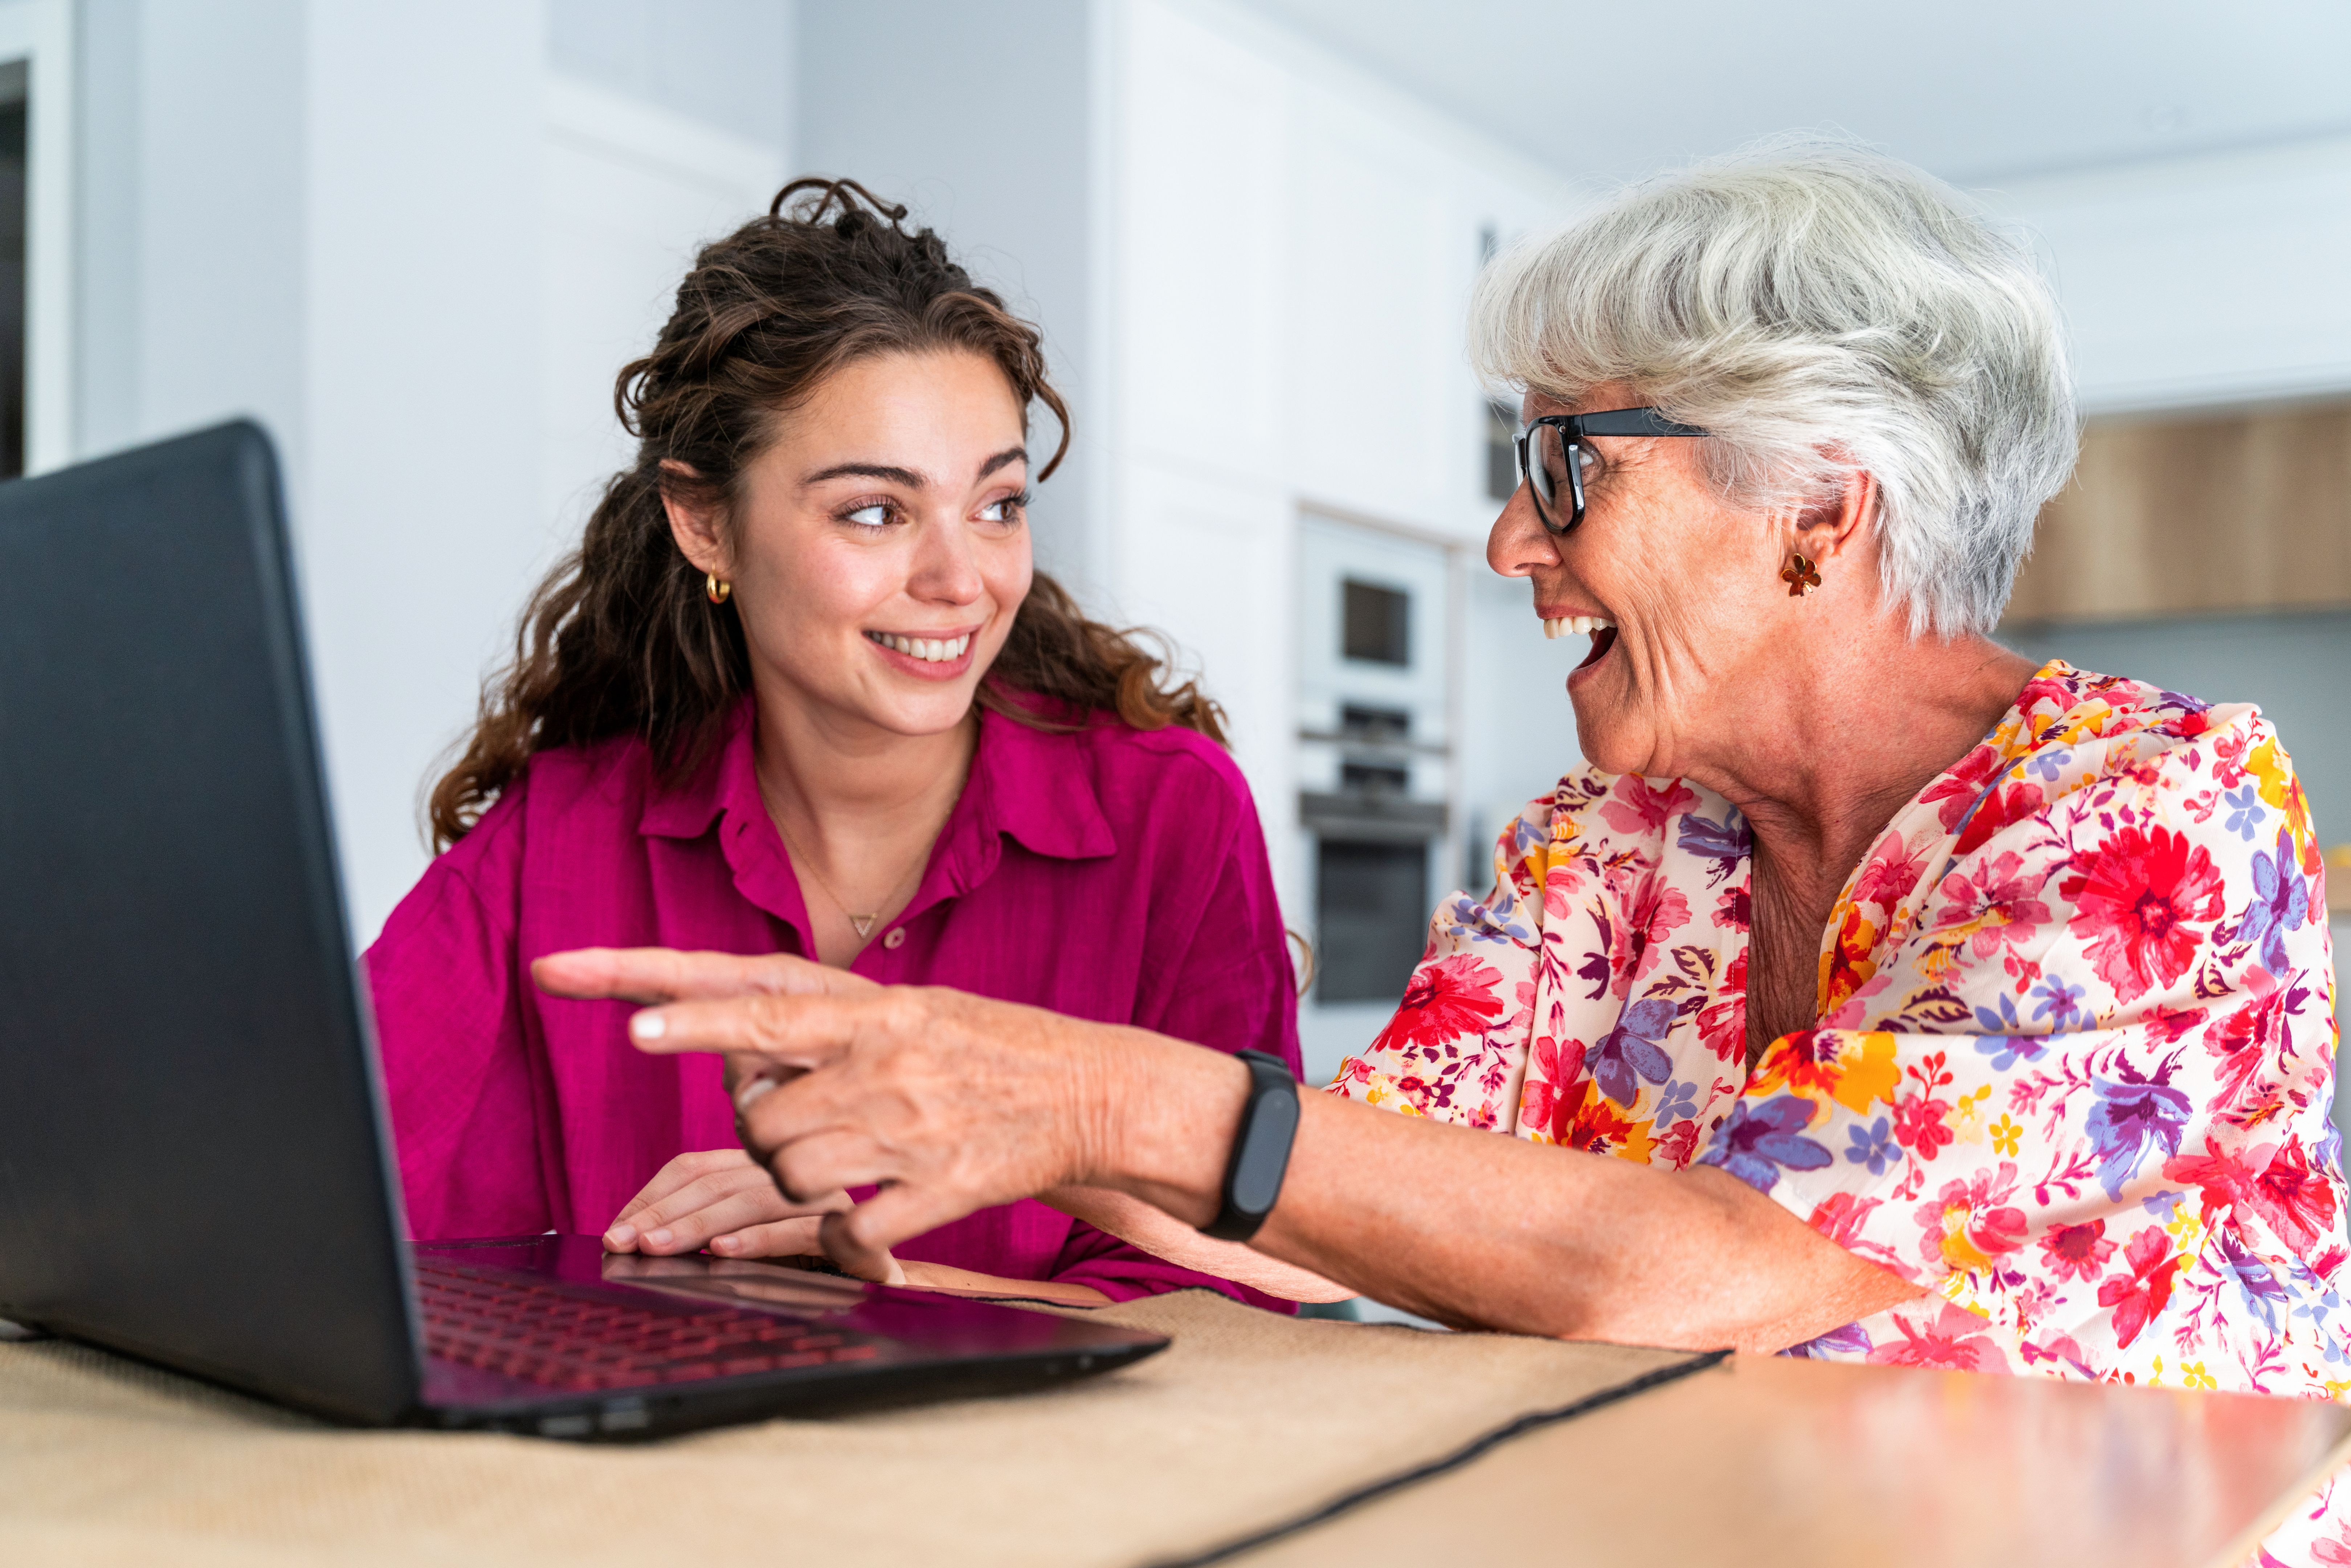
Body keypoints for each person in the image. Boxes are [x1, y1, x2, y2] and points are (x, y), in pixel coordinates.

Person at [540, 142, 2351, 1549]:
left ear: (1819, 508)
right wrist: (926, 1170)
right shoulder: (1612, 843)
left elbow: (1696, 1265)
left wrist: (1088, 1098)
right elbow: (1326, 1220)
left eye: (1570, 466)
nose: (1508, 540)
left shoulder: (2147, 816)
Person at [364, 177, 1301, 1310]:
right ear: (704, 520)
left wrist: (887, 1278)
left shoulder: (1171, 819)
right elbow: (321, 1186)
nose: (964, 582)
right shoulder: (558, 837)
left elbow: (1242, 1295)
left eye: (998, 506)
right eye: (875, 512)